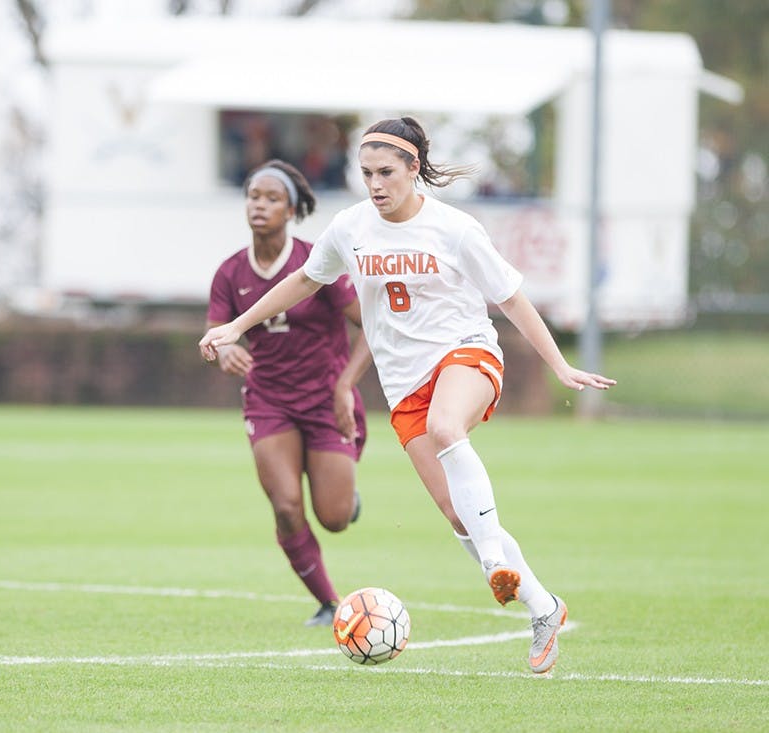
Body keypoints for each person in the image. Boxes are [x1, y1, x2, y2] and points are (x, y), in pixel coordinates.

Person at [200, 118, 617, 673]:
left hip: (466, 354)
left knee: (447, 428)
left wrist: (559, 365)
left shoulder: (455, 229)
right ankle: (544, 608)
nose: (375, 184)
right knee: (458, 515)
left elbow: (512, 298)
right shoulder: (350, 227)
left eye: (386, 173)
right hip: (404, 384)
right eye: (366, 173)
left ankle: (494, 562)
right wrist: (237, 325)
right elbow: (303, 280)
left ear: (413, 168)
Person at [202, 159, 372, 627]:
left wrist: (345, 384)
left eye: (272, 198)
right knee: (285, 506)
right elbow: (216, 335)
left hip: (325, 399)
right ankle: (329, 602)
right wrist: (225, 350)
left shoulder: (317, 262)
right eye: (253, 196)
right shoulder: (230, 272)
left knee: (334, 517)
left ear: (291, 211)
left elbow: (372, 326)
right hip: (268, 401)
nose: (260, 205)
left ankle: (347, 497)